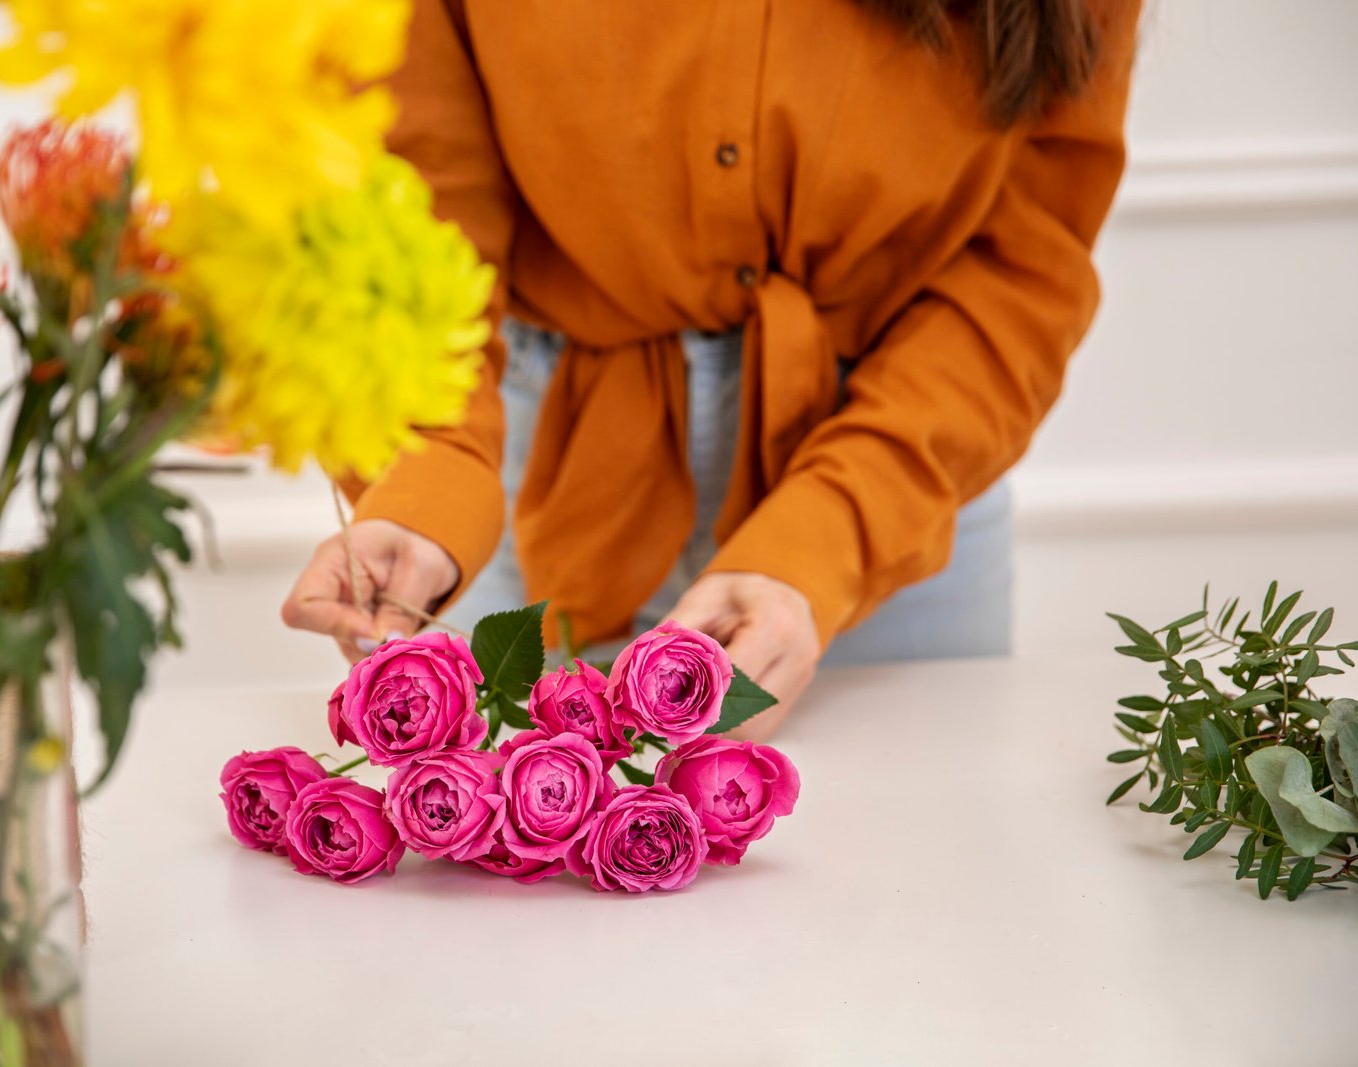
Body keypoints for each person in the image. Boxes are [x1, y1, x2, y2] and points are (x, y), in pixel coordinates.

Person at [282, 0, 1142, 740]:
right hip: (518, 480)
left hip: (898, 487)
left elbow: (1022, 262)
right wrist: (428, 461)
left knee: (918, 907)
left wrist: (828, 535)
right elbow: (406, 173)